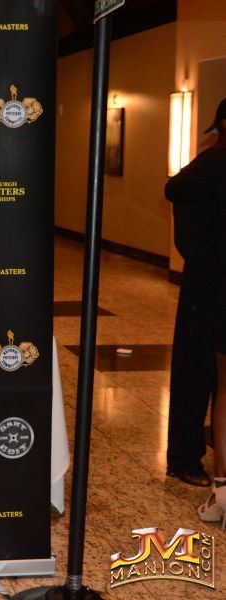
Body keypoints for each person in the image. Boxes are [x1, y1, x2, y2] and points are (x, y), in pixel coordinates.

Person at [166, 98, 226, 524]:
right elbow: (189, 233)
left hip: (216, 284)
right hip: (207, 288)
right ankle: (184, 457)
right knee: (195, 371)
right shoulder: (208, 167)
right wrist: (217, 275)